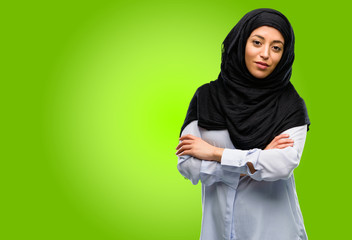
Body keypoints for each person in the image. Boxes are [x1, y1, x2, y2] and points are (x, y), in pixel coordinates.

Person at [176, 8, 310, 240]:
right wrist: (254, 163)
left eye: (276, 48)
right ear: (241, 43)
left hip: (276, 232)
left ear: (284, 55)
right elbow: (187, 164)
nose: (265, 54)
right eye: (257, 42)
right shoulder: (207, 97)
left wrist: (215, 153)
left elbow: (282, 165)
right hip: (218, 231)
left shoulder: (290, 104)